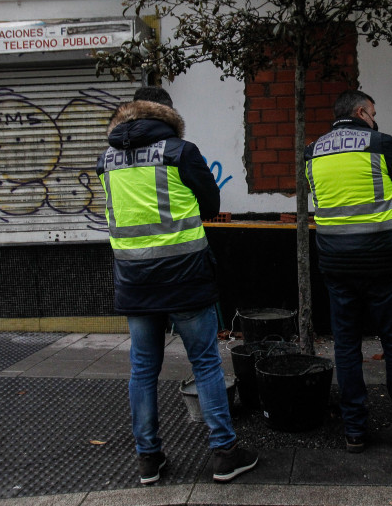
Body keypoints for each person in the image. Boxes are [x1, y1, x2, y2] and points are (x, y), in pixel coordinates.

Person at [96, 86, 257, 485]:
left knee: (143, 369)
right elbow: (210, 206)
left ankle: (148, 459)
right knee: (204, 363)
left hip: (135, 279)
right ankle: (224, 453)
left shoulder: (107, 161)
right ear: (164, 114)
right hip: (184, 277)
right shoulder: (179, 152)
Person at [304, 89, 392, 453]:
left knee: (346, 346)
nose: (376, 118)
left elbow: (318, 197)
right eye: (374, 112)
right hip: (381, 261)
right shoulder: (381, 142)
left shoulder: (312, 150)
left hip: (335, 263)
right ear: (361, 112)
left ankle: (355, 431)